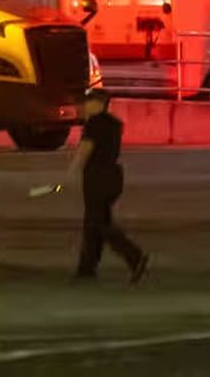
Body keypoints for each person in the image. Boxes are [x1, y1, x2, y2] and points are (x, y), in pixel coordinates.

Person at [66, 88, 148, 281]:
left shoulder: (94, 124)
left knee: (99, 223)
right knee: (94, 222)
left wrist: (71, 171)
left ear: (99, 103)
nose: (84, 106)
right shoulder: (114, 124)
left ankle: (134, 256)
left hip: (97, 177)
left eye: (88, 102)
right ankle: (87, 269)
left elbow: (86, 149)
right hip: (113, 176)